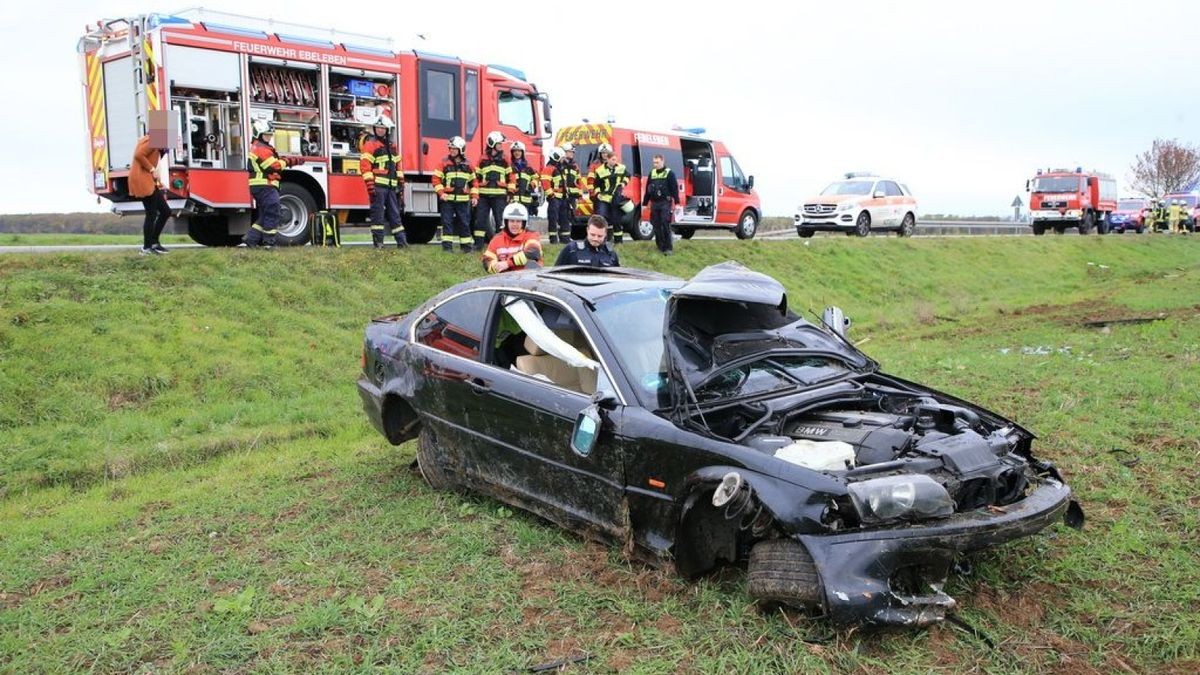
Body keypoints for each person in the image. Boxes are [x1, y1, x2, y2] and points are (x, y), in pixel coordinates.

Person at [244, 119, 296, 248]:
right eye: (266, 134)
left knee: (265, 214)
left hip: (261, 186)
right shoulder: (261, 148)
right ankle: (269, 243)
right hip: (265, 186)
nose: (269, 137)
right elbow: (274, 166)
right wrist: (288, 161)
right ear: (259, 134)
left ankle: (251, 239)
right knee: (273, 212)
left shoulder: (259, 147)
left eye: (270, 135)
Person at [129, 111, 173, 255]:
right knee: (151, 213)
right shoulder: (152, 140)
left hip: (148, 181)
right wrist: (151, 168)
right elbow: (138, 155)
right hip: (143, 181)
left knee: (165, 211)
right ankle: (146, 247)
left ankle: (154, 243)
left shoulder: (155, 140)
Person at [360, 116, 406, 248]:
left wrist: (401, 184)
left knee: (395, 215)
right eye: (378, 128)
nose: (380, 130)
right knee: (377, 216)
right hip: (378, 187)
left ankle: (402, 243)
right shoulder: (370, 145)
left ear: (387, 130)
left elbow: (398, 167)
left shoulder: (392, 146)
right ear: (375, 129)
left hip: (392, 188)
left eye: (383, 128)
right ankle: (379, 243)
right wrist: (370, 185)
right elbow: (365, 167)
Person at [431, 136, 478, 253]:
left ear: (461, 150)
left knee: (464, 223)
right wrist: (441, 193)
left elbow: (474, 183)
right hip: (448, 200)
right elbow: (436, 179)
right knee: (447, 223)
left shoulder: (468, 165)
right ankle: (447, 249)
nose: (451, 150)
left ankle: (467, 248)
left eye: (454, 149)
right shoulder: (443, 163)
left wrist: (475, 197)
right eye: (450, 148)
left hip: (463, 201)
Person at [542, 143, 587, 244]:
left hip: (564, 198)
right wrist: (551, 195)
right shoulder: (551, 168)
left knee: (565, 218)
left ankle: (565, 239)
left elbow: (575, 181)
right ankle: (553, 240)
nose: (564, 159)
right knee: (554, 218)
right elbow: (545, 182)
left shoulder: (564, 167)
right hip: (555, 198)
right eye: (562, 156)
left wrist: (577, 194)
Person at [475, 131, 512, 248]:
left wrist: (510, 192)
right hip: (484, 196)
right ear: (492, 144)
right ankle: (478, 245)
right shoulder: (482, 159)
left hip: (499, 196)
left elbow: (511, 177)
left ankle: (500, 246)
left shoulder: (505, 159)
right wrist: (476, 192)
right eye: (499, 143)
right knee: (480, 221)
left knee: (500, 222)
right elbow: (476, 177)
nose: (501, 145)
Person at [587, 142, 630, 244]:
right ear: (600, 154)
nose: (605, 155)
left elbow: (627, 175)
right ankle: (603, 240)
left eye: (607, 153)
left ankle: (616, 241)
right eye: (603, 153)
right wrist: (594, 194)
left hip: (615, 197)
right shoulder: (596, 166)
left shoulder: (618, 166)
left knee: (615, 219)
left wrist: (622, 184)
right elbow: (592, 181)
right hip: (601, 197)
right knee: (601, 217)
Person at [482, 203, 542, 273]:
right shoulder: (497, 239)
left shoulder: (531, 236)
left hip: (528, 279)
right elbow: (487, 259)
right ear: (506, 222)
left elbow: (533, 253)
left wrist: (507, 263)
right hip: (505, 280)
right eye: (512, 221)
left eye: (518, 221)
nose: (515, 224)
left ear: (524, 223)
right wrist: (495, 266)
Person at [642, 154, 680, 254]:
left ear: (662, 161)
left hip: (665, 202)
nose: (655, 164)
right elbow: (648, 189)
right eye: (654, 162)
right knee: (656, 225)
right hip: (655, 203)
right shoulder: (652, 173)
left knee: (664, 223)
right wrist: (645, 203)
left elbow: (674, 189)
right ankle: (660, 246)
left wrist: (677, 203)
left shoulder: (669, 173)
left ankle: (668, 248)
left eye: (657, 162)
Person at [554, 214, 620, 267]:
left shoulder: (611, 254)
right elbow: (555, 274)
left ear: (605, 234)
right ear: (587, 230)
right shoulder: (571, 250)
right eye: (593, 235)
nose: (595, 239)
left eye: (600, 236)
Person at [507, 140, 540, 216]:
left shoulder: (528, 167)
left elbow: (536, 178)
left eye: (519, 151)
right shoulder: (509, 166)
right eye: (515, 151)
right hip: (513, 200)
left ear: (522, 152)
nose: (517, 153)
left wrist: (531, 185)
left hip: (526, 200)